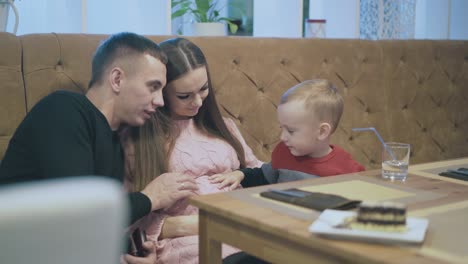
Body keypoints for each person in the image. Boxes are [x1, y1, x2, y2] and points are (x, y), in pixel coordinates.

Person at [0, 32, 198, 264]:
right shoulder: (63, 109)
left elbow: (89, 231)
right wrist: (150, 197)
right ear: (117, 79)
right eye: (153, 87)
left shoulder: (114, 142)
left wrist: (134, 251)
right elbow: (78, 214)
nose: (160, 101)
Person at [122, 37, 263, 263]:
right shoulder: (140, 140)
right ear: (162, 93)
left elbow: (263, 174)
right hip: (188, 242)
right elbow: (125, 216)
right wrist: (178, 226)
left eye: (204, 89)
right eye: (184, 96)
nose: (198, 102)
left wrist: (244, 174)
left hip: (245, 227)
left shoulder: (225, 127)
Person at [210, 79, 365, 190]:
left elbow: (365, 193)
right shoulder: (284, 152)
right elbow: (263, 177)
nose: (283, 137)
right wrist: (240, 175)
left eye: (290, 131)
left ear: (322, 131)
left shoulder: (346, 167)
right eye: (281, 128)